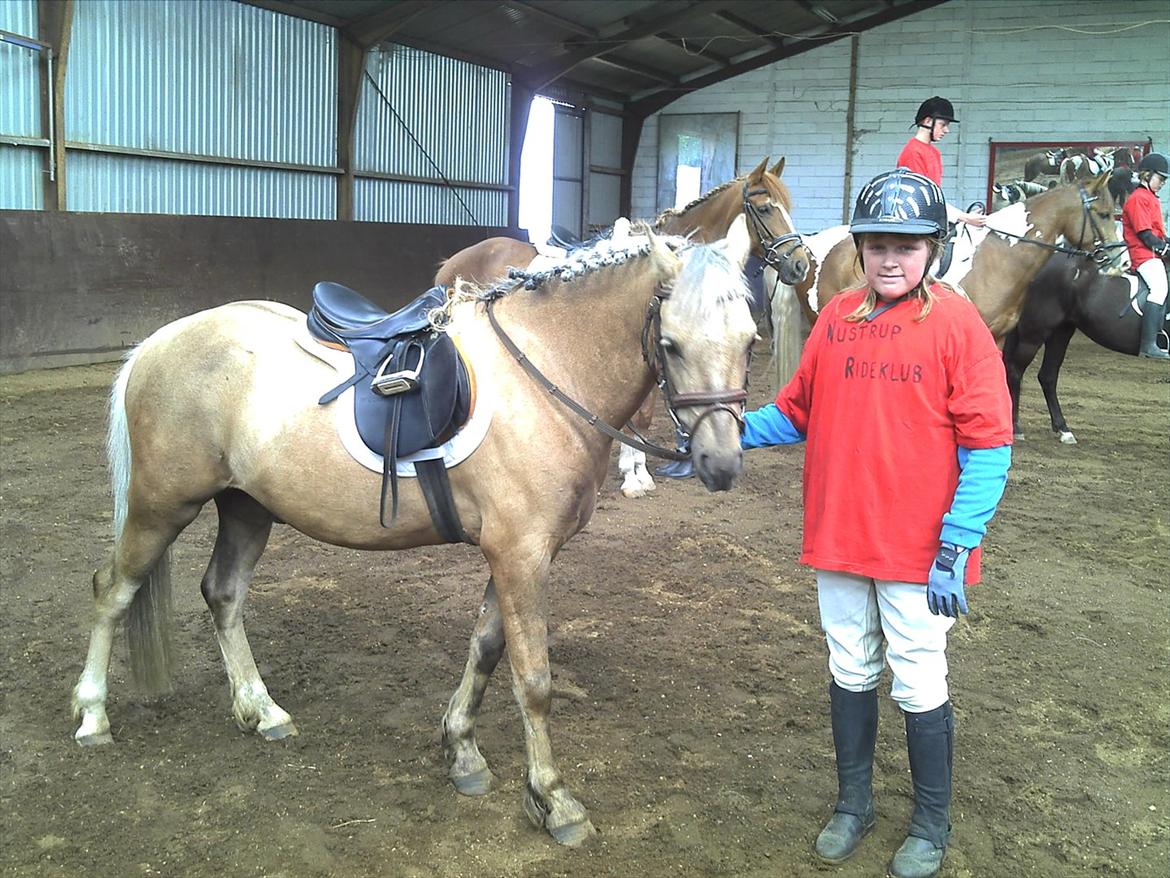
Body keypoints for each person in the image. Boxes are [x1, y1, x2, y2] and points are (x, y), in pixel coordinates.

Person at [742, 169, 1013, 878]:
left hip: (919, 547)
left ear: (935, 250)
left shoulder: (958, 325)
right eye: (877, 244)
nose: (891, 258)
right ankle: (853, 803)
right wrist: (725, 433)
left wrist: (958, 539)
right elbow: (797, 410)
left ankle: (930, 819)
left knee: (919, 677)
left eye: (908, 245)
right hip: (840, 532)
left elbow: (989, 444)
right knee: (850, 666)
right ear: (859, 249)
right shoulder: (836, 318)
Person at [897, 97, 986, 227]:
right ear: (927, 121)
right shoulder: (913, 152)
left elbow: (935, 196)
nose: (946, 130)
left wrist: (961, 215)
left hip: (930, 218)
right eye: (943, 125)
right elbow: (921, 199)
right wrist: (963, 217)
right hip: (915, 222)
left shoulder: (934, 153)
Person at [1120, 151, 1170, 359]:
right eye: (1160, 178)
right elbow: (1144, 233)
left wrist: (1166, 244)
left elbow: (1159, 232)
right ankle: (1148, 344)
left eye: (1164, 180)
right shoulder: (1138, 198)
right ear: (1147, 175)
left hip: (1153, 253)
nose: (1162, 184)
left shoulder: (1151, 198)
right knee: (1159, 289)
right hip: (1142, 255)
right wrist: (1163, 248)